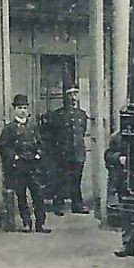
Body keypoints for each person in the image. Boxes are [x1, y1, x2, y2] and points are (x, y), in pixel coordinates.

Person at [0, 93, 49, 233]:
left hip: (33, 165)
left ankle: (40, 224)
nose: (23, 110)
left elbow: (41, 143)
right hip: (19, 166)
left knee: (38, 195)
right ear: (14, 110)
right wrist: (14, 157)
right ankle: (26, 222)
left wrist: (38, 154)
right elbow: (2, 145)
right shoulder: (10, 128)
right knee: (21, 195)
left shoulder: (33, 126)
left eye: (25, 107)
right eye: (20, 108)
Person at [42, 86, 91, 215]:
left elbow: (82, 132)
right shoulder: (58, 115)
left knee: (77, 179)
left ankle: (77, 204)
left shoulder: (82, 114)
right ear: (66, 97)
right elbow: (50, 135)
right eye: (70, 94)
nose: (73, 97)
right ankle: (58, 205)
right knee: (61, 179)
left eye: (76, 94)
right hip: (63, 152)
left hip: (78, 152)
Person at [106, 130, 134, 259]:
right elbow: (108, 155)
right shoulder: (117, 137)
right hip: (124, 181)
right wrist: (119, 158)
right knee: (126, 213)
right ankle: (127, 245)